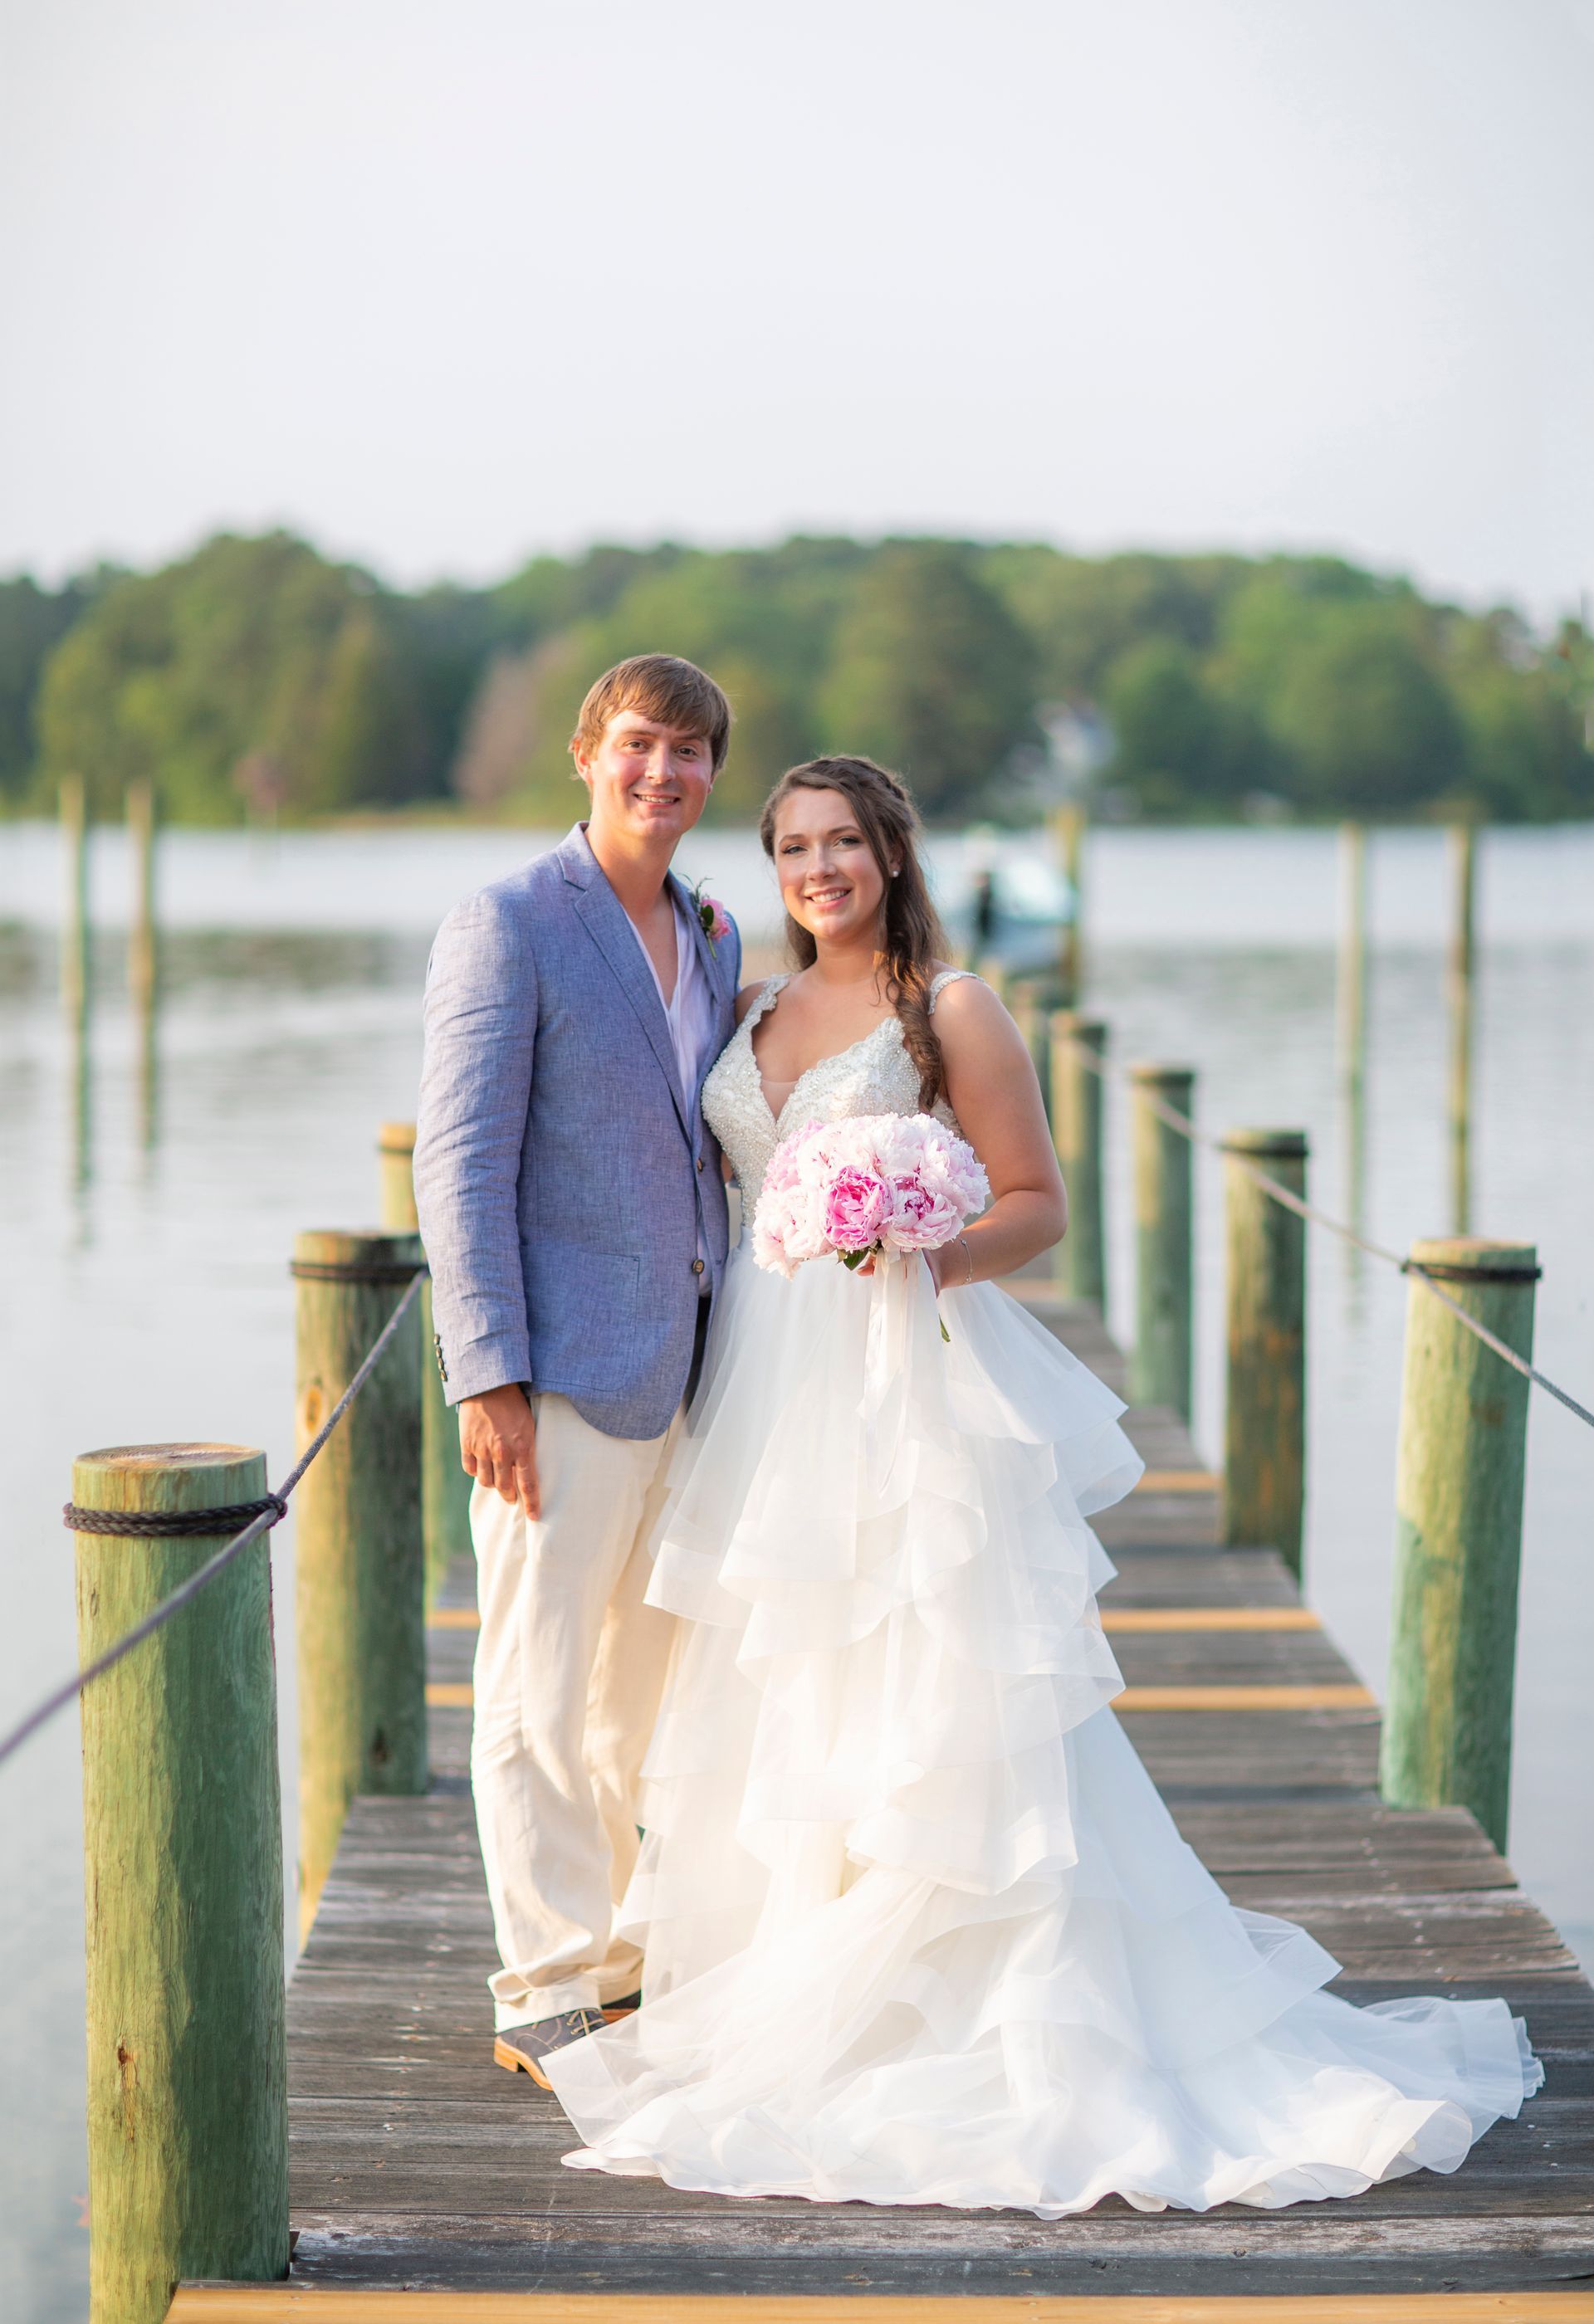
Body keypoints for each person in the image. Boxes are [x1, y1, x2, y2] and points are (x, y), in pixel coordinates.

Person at [543, 753, 1542, 2215]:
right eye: (795, 847)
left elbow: (1037, 1206)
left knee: (926, 1678)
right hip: (760, 1389)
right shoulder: (750, 1002)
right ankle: (804, 1971)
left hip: (900, 1382)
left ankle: (974, 1987)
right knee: (789, 1677)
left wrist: (909, 1246)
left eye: (844, 843)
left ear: (892, 853)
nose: (820, 869)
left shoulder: (947, 1010)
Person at [413, 653, 741, 2089]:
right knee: (536, 1686)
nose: (661, 773)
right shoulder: (506, 923)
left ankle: (615, 1962)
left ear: (713, 777)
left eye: (688, 752)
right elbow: (460, 1161)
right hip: (553, 1376)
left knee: (637, 1695)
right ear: (584, 753)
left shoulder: (718, 932)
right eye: (638, 744)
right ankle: (543, 1983)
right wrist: (484, 1372)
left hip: (689, 1366)